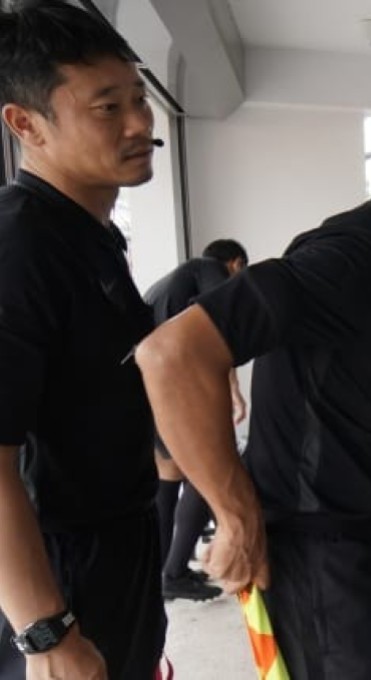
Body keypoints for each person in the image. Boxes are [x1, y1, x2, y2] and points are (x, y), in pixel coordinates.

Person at [135, 82, 371, 679]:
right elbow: (171, 354)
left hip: (361, 536)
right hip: (316, 553)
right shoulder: (349, 260)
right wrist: (234, 511)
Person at [0, 2, 166, 678]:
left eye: (140, 99)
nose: (140, 124)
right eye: (107, 108)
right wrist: (47, 635)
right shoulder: (21, 250)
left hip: (120, 543)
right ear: (25, 123)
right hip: (57, 566)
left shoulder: (90, 240)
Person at [145, 239, 249, 602]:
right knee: (207, 478)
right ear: (235, 263)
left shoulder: (169, 282)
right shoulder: (212, 271)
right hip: (177, 390)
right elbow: (220, 332)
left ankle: (159, 573)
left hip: (149, 391)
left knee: (169, 479)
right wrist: (231, 392)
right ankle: (172, 573)